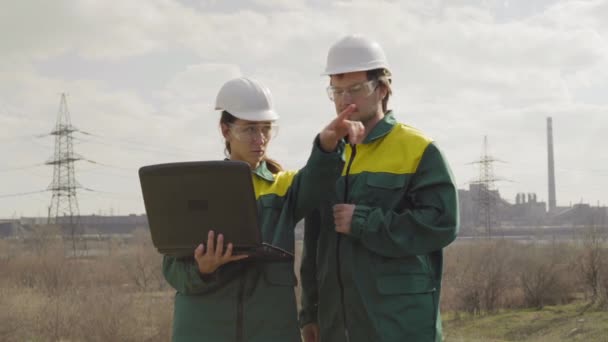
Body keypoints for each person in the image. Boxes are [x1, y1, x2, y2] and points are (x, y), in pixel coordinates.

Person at [162, 76, 364, 342]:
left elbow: (317, 177)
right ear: (225, 130)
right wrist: (203, 269)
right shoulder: (197, 190)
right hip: (204, 330)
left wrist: (328, 143)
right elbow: (173, 271)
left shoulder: (285, 187)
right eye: (249, 129)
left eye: (266, 128)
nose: (260, 139)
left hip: (270, 331)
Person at [299, 35, 459, 342]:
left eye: (355, 89)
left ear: (382, 88)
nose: (344, 99)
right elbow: (313, 242)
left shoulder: (418, 149)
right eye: (336, 90)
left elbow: (442, 224)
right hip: (336, 327)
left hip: (399, 325)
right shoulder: (329, 153)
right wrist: (310, 311)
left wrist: (364, 221)